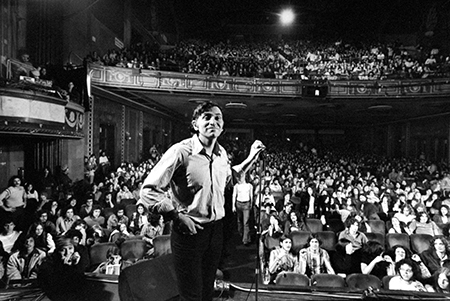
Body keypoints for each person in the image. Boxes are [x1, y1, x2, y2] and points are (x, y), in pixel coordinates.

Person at [140, 101, 265, 301]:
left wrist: (251, 157)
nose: (212, 121)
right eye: (207, 117)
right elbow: (148, 190)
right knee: (192, 295)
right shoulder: (181, 152)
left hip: (215, 231)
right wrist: (176, 215)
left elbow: (229, 177)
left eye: (217, 117)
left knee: (207, 291)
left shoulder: (221, 153)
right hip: (189, 231)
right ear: (195, 124)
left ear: (222, 126)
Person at [38, 236, 88, 301]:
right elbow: (56, 287)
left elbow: (80, 285)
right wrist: (66, 267)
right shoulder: (49, 263)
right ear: (57, 251)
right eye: (63, 250)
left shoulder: (77, 261)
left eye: (70, 248)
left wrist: (76, 265)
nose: (68, 253)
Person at [232, 173, 253, 246]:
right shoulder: (237, 186)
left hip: (246, 204)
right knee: (239, 221)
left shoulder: (249, 186)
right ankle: (244, 235)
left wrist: (251, 204)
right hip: (239, 204)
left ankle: (245, 240)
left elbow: (251, 195)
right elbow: (234, 195)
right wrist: (233, 206)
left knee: (245, 222)